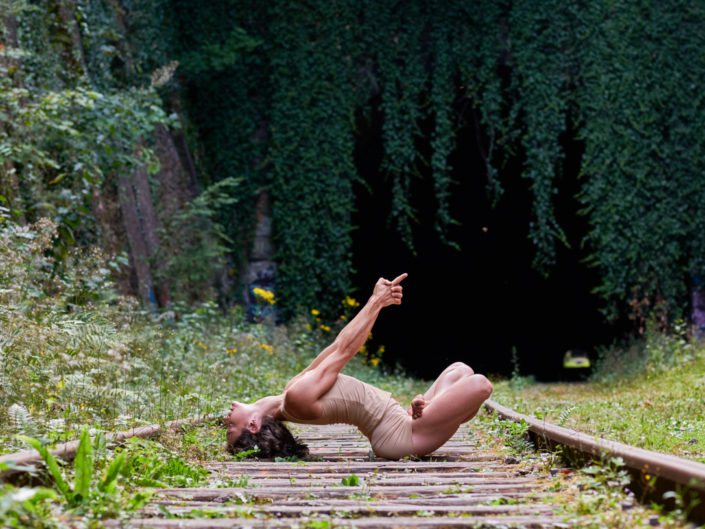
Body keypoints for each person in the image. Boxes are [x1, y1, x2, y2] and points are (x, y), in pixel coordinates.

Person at [225, 274, 493, 460]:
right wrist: (377, 301)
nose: (225, 420)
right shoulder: (296, 399)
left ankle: (424, 410)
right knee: (480, 384)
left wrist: (378, 303)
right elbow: (346, 351)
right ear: (252, 425)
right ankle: (429, 413)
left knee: (460, 371)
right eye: (229, 429)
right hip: (402, 437)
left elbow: (337, 345)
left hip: (401, 422)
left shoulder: (290, 393)